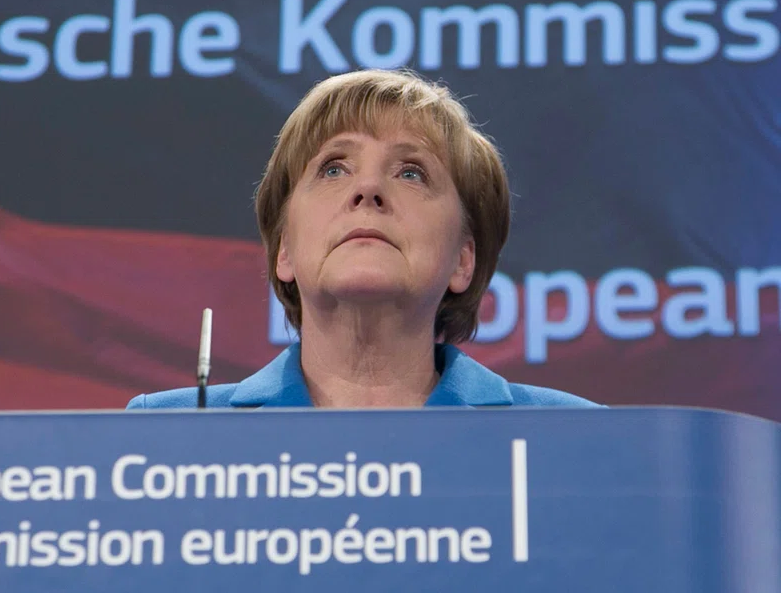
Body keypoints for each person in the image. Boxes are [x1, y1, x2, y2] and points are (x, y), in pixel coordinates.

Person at [127, 69, 600, 410]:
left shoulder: (572, 436)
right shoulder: (164, 431)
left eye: (411, 173)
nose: (368, 188)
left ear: (463, 259)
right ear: (284, 250)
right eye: (334, 168)